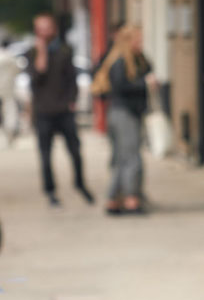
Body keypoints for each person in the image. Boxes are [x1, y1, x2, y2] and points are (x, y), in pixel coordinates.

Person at [26, 13, 92, 207]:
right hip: (43, 112)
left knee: (75, 151)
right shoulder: (32, 53)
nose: (44, 32)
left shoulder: (64, 50)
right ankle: (51, 192)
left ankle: (80, 184)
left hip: (64, 110)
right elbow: (36, 78)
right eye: (40, 28)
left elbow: (72, 79)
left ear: (53, 29)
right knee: (45, 155)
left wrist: (72, 101)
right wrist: (42, 53)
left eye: (47, 27)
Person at [92, 25, 153, 214]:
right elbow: (120, 86)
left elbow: (149, 68)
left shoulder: (135, 59)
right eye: (138, 40)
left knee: (121, 158)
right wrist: (145, 84)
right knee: (130, 158)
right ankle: (130, 199)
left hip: (123, 113)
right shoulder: (120, 62)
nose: (141, 43)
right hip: (124, 113)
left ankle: (115, 199)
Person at [0, 38, 20, 145]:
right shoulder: (11, 57)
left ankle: (8, 133)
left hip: (6, 88)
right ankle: (10, 132)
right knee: (10, 110)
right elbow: (16, 71)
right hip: (8, 88)